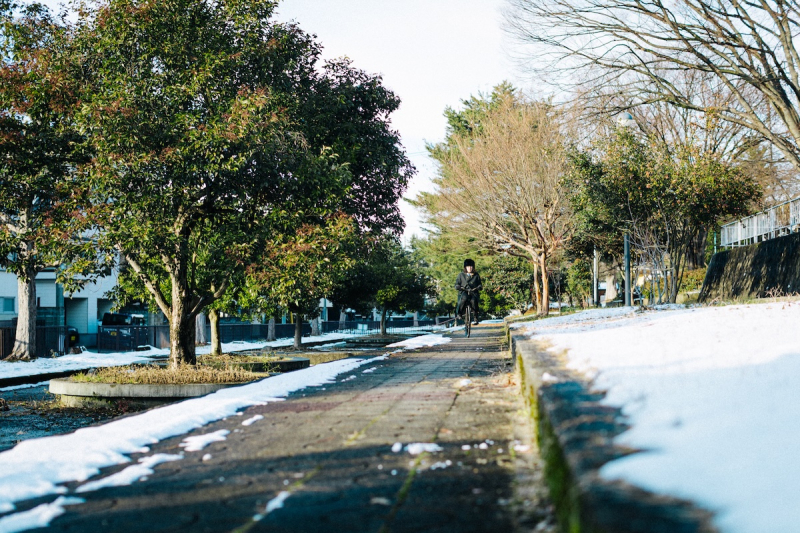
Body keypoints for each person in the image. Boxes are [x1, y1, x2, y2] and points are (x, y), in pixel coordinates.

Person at [455, 258, 482, 325]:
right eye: (468, 267)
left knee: (474, 301)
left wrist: (479, 287)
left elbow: (480, 284)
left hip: (473, 292)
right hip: (464, 291)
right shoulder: (461, 275)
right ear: (465, 267)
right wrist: (458, 286)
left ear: (473, 267)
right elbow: (457, 284)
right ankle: (459, 313)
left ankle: (475, 318)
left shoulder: (476, 275)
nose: (469, 268)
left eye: (471, 266)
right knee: (464, 298)